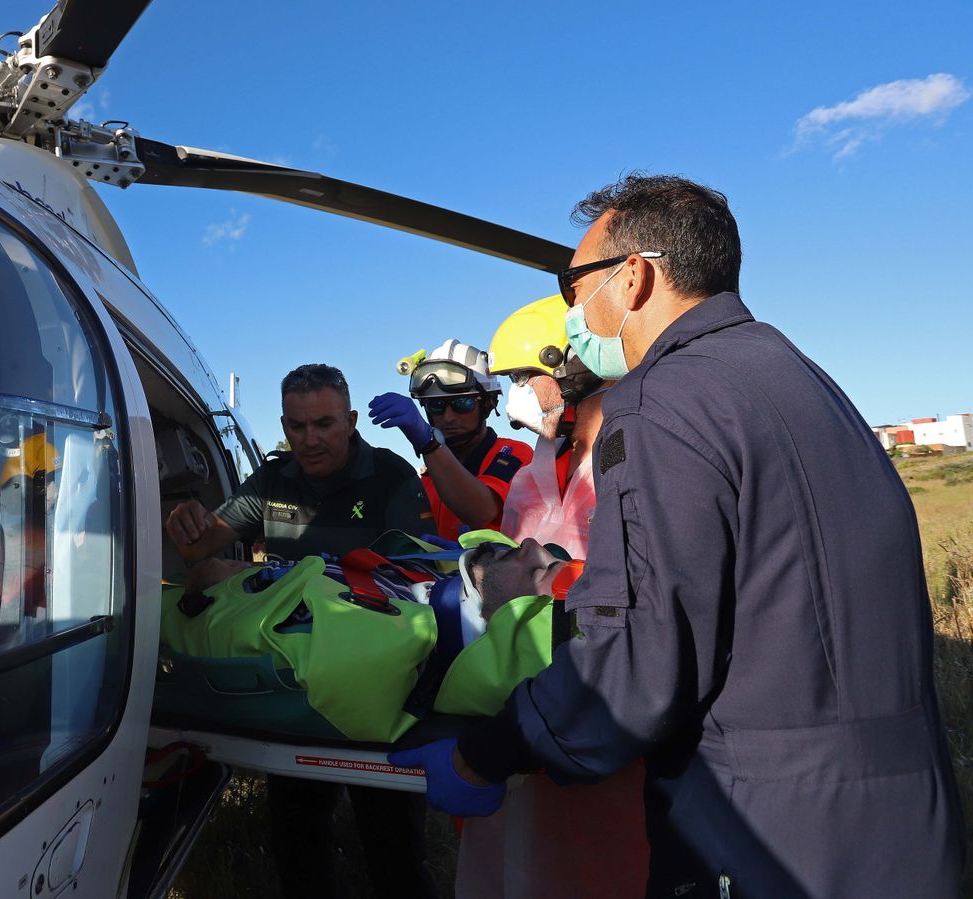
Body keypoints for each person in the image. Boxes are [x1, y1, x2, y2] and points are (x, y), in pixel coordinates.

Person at [394, 174, 965, 896]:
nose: (573, 316)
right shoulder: (799, 375)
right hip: (899, 824)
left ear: (631, 276)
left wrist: (489, 749)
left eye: (576, 290)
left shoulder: (662, 398)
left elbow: (634, 660)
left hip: (769, 833)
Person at [164, 363, 439, 899]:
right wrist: (187, 524)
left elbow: (410, 579)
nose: (309, 440)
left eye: (324, 424)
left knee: (393, 845)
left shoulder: (391, 476)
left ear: (352, 420)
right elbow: (204, 545)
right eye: (296, 426)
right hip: (292, 685)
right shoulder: (273, 479)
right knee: (296, 834)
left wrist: (273, 576)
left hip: (373, 680)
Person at [446, 296, 649, 898]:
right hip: (523, 697)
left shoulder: (631, 456)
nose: (512, 395)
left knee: (604, 864)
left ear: (568, 370)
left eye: (518, 378)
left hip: (601, 699)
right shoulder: (536, 468)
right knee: (517, 860)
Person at [368, 340, 532, 542]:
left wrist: (429, 444)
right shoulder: (429, 477)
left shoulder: (515, 453)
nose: (448, 417)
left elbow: (483, 512)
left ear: (489, 404)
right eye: (436, 405)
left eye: (462, 403)